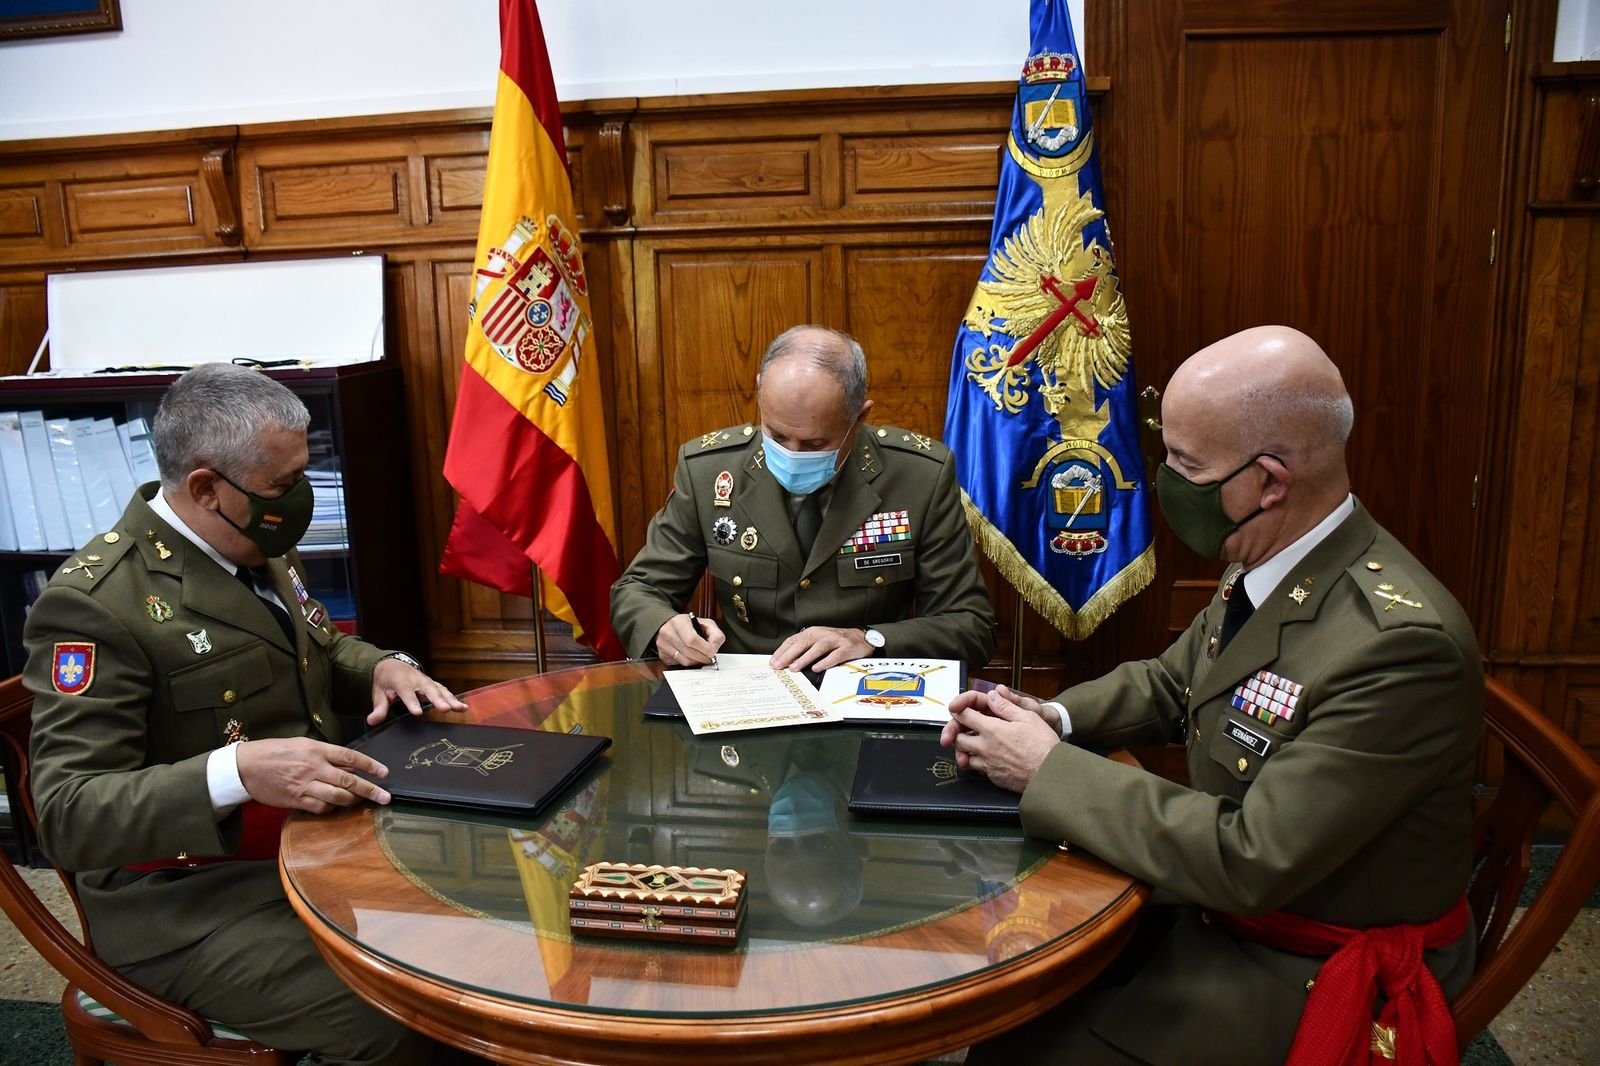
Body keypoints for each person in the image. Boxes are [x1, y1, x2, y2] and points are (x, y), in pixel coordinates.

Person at [943, 326, 1483, 1065]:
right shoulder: (1273, 553)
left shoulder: (1396, 647)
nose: (1165, 483)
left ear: (1268, 481)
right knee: (1011, 993)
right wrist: (1053, 718)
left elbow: (1249, 857)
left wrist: (1046, 769)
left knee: (1020, 1041)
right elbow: (1174, 679)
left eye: (1186, 466)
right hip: (1219, 911)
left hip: (1298, 961)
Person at [24, 363, 470, 1064]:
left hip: (311, 849)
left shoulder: (253, 537)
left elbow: (317, 652)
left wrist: (382, 665)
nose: (300, 504)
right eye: (285, 486)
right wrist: (233, 772)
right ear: (206, 487)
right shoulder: (95, 603)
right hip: (187, 904)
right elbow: (69, 815)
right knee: (408, 1017)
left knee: (475, 944)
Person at [611, 324, 996, 670]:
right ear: (760, 391)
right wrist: (663, 626)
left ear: (859, 418)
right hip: (744, 695)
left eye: (815, 443)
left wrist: (871, 639)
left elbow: (971, 626)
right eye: (776, 436)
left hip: (864, 695)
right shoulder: (707, 470)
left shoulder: (920, 477)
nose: (792, 454)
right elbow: (638, 589)